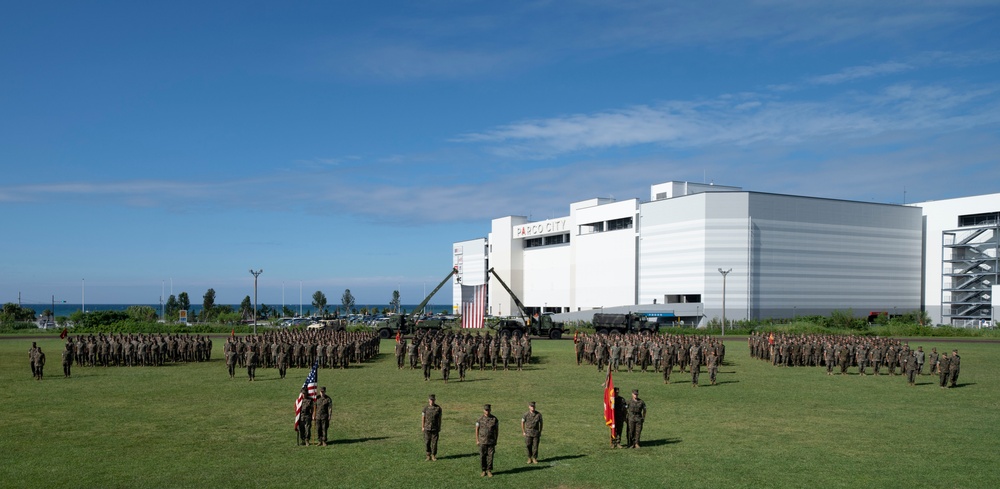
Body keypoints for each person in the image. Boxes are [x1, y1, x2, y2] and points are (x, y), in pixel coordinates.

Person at [475, 404, 499, 477]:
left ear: (490, 410)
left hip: (491, 441)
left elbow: (496, 430)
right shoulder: (479, 419)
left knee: (490, 456)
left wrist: (496, 440)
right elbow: (477, 430)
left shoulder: (494, 419)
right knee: (482, 456)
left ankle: (489, 470)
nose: (487, 411)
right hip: (482, 441)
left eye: (488, 410)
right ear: (483, 410)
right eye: (486, 410)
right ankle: (483, 470)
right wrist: (477, 440)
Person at [422, 394, 442, 461]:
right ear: (428, 400)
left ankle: (433, 455)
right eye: (431, 400)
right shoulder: (425, 408)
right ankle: (428, 455)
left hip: (435, 428)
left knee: (434, 442)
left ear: (435, 400)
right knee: (427, 442)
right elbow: (423, 417)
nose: (432, 401)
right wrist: (422, 426)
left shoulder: (438, 408)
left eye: (433, 400)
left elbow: (440, 418)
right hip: (427, 428)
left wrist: (439, 426)